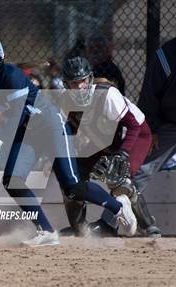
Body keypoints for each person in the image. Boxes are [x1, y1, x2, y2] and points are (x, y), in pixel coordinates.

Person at [0, 32, 137, 246]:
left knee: (72, 187)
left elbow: (19, 112)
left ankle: (119, 207)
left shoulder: (11, 73)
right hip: (28, 132)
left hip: (50, 126)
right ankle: (46, 232)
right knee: (12, 180)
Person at [57, 56, 154, 237]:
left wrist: (123, 153)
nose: (79, 87)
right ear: (66, 84)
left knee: (120, 179)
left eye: (83, 81)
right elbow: (67, 134)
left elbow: (133, 126)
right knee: (71, 180)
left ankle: (148, 227)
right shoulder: (64, 101)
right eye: (73, 82)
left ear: (90, 79)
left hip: (135, 134)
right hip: (101, 140)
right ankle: (80, 229)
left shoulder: (107, 94)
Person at [130, 2, 176, 236]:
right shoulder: (166, 55)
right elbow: (149, 96)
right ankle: (114, 221)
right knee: (138, 171)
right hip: (167, 125)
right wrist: (154, 130)